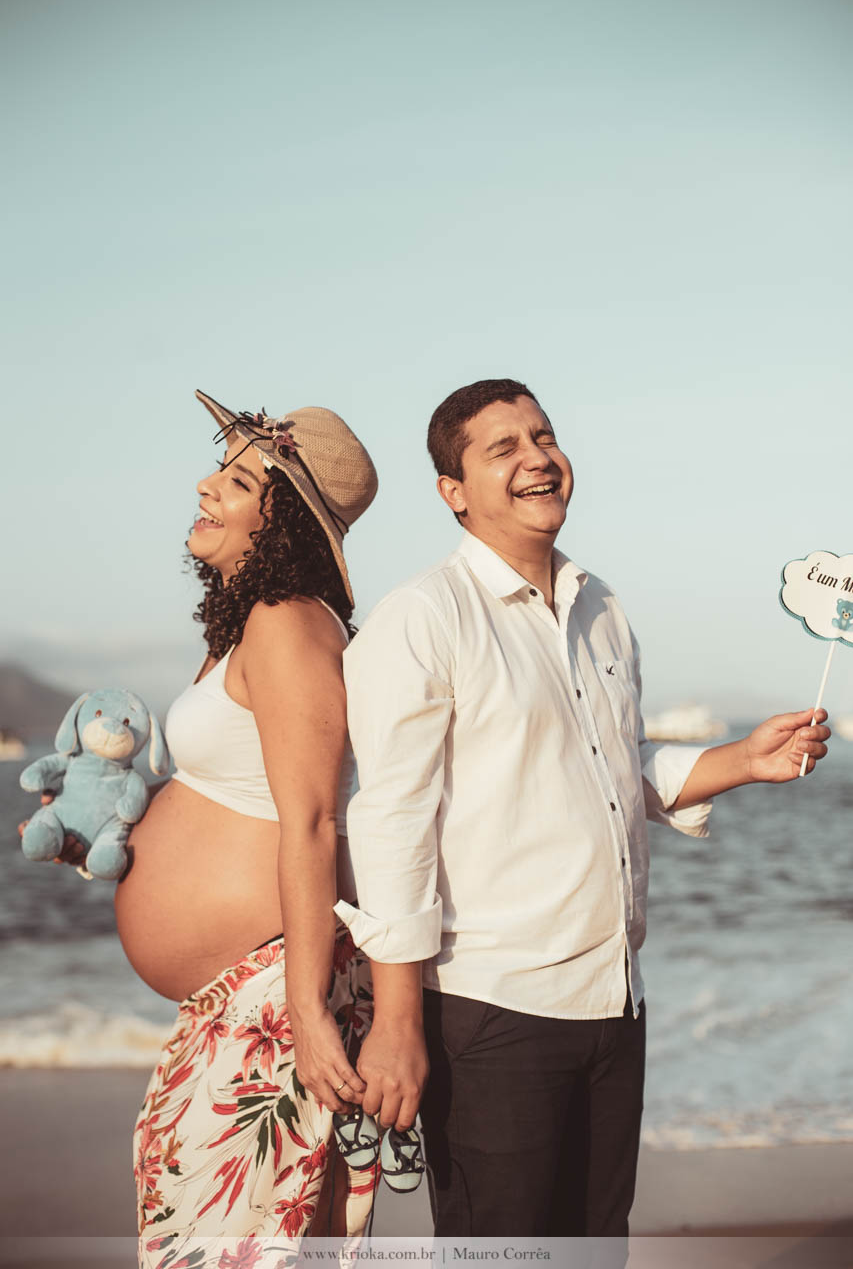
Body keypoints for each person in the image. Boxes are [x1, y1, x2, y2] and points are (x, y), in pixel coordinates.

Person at [335, 378, 831, 1246]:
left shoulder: (601, 606)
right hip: (492, 1007)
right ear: (453, 492)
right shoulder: (421, 618)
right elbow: (391, 825)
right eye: (503, 449)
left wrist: (740, 762)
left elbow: (610, 769)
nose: (537, 459)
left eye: (544, 436)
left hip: (613, 1000)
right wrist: (397, 1023)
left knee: (596, 1247)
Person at [31, 391, 379, 1259]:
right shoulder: (246, 630)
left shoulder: (287, 625)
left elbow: (311, 820)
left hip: (274, 990)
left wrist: (305, 1008)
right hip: (241, 994)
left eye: (232, 480)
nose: (203, 487)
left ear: (284, 520)